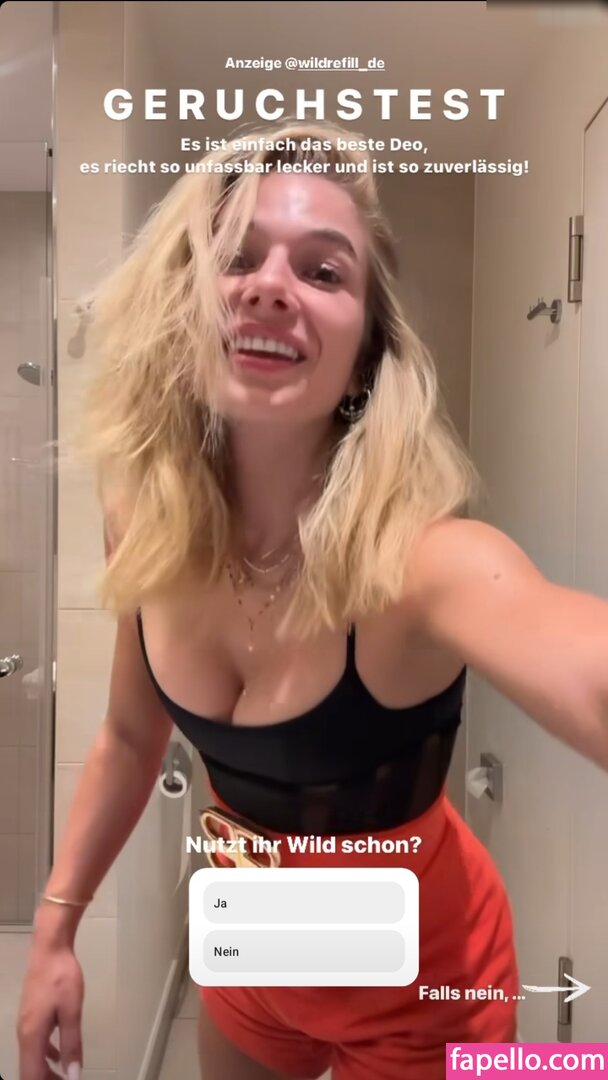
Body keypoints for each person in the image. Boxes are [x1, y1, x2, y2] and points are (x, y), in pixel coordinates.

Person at [16, 120, 608, 1080]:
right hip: (255, 951)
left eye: (323, 271)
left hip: (430, 989)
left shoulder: (426, 562)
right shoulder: (144, 517)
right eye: (235, 257)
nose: (268, 285)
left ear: (367, 352)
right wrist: (55, 930)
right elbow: (127, 736)